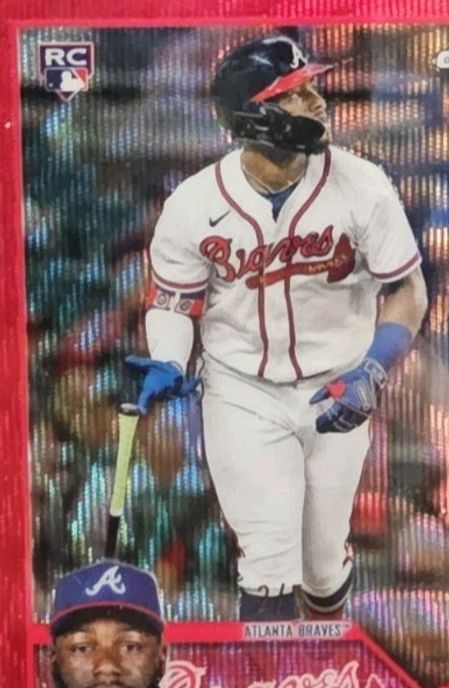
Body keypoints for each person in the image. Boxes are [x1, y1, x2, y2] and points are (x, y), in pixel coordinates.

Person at [127, 35, 428, 623]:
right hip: (242, 390)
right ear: (253, 115)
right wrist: (168, 358)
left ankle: (324, 663)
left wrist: (373, 369)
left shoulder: (362, 183)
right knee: (268, 558)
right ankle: (269, 677)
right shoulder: (193, 203)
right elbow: (174, 301)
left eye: (312, 87)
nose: (317, 100)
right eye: (295, 92)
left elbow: (408, 290)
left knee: (321, 565)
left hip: (338, 384)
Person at [50, 560, 167, 688]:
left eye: (130, 646)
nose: (106, 666)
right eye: (82, 648)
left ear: (162, 657)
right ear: (53, 659)